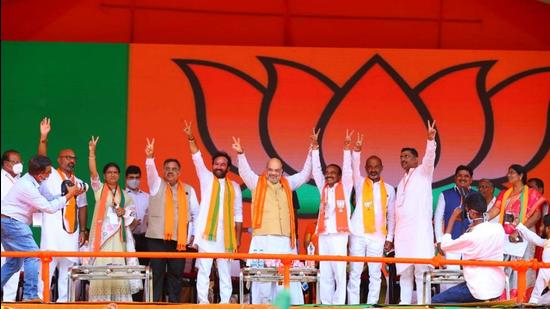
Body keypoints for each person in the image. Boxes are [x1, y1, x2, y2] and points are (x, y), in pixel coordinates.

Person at [232, 136, 311, 304]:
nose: (274, 173)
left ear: (282, 171)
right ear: (266, 170)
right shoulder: (256, 183)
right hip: (263, 241)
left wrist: (313, 150)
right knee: (263, 283)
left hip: (285, 242)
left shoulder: (288, 183)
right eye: (271, 170)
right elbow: (244, 172)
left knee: (286, 282)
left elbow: (305, 175)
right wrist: (241, 153)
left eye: (277, 170)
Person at [1, 155, 81, 301]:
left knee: (13, 263)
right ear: (40, 174)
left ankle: (29, 295)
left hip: (8, 222)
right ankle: (30, 296)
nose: (50, 175)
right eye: (48, 172)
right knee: (33, 256)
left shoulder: (35, 180)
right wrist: (69, 195)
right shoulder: (27, 186)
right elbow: (49, 208)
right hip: (13, 222)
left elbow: (49, 198)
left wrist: (67, 194)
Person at [183, 121, 243, 304]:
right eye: (216, 163)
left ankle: (225, 304)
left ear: (228, 167)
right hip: (206, 235)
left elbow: (238, 215)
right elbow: (196, 157)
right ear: (212, 166)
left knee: (225, 272)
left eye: (223, 164)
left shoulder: (234, 187)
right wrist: (191, 137)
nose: (219, 166)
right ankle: (203, 302)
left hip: (226, 237)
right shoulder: (206, 177)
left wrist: (238, 239)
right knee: (204, 270)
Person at [35, 117, 89, 302]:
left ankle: (63, 303)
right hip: (52, 232)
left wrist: (83, 230)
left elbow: (82, 206)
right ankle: (42, 302)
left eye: (73, 158)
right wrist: (43, 138)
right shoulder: (50, 177)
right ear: (59, 160)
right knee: (47, 268)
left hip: (71, 233)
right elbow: (41, 160)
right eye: (67, 157)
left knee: (67, 272)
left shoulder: (79, 182)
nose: (71, 160)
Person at [144, 138, 199, 303]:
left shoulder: (189, 190)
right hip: (156, 239)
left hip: (179, 241)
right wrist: (150, 158)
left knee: (176, 276)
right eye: (167, 168)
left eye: (174, 169)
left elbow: (196, 214)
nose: (170, 171)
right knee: (157, 275)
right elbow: (150, 172)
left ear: (179, 172)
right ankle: (153, 306)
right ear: (162, 170)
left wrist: (193, 236)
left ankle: (174, 305)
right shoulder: (156, 185)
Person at [87, 136, 142, 301]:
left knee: (118, 269)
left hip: (119, 239)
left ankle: (119, 302)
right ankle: (99, 302)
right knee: (101, 268)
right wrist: (92, 153)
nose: (112, 175)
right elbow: (93, 173)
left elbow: (132, 216)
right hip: (102, 238)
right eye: (109, 172)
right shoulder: (100, 189)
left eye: (115, 172)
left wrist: (124, 212)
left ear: (119, 175)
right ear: (104, 175)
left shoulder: (125, 195)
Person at [346, 131, 395, 305]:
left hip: (378, 236)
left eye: (376, 167)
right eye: (370, 167)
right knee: (355, 272)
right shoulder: (359, 183)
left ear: (381, 168)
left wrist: (389, 238)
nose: (373, 170)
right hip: (358, 234)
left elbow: (391, 216)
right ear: (366, 169)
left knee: (375, 274)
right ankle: (353, 306)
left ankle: (371, 305)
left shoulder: (389, 189)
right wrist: (357, 150)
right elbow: (354, 165)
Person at [432, 192, 505, 303]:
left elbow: (444, 245)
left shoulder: (470, 237)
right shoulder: (499, 229)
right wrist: (475, 225)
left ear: (472, 213)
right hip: (497, 287)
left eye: (466, 211)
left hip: (478, 289)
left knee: (435, 301)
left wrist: (452, 217)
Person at [394, 120, 437, 304]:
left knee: (421, 272)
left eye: (407, 156)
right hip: (403, 234)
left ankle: (422, 305)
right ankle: (404, 305)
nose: (403, 159)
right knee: (404, 272)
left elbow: (429, 158)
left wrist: (430, 140)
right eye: (401, 157)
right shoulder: (401, 182)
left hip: (419, 233)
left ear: (416, 159)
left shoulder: (423, 171)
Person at [486, 164, 546, 296]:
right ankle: (505, 297)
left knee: (522, 267)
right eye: (508, 172)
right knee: (505, 266)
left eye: (512, 173)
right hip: (507, 236)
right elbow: (496, 209)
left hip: (525, 235)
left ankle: (521, 298)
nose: (509, 175)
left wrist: (519, 230)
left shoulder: (531, 193)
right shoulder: (504, 193)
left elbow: (536, 215)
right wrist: (484, 217)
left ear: (521, 176)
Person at [310, 129, 351, 305]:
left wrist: (347, 149)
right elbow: (316, 170)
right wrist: (315, 148)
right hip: (324, 234)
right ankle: (326, 303)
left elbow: (348, 169)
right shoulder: (323, 188)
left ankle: (339, 304)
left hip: (339, 235)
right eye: (328, 172)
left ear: (340, 176)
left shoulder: (346, 186)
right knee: (325, 271)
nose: (329, 175)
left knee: (339, 273)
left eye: (333, 172)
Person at [433, 165, 473, 291]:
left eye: (466, 176)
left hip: (471, 242)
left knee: (471, 275)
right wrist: (440, 240)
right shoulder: (445, 194)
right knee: (451, 274)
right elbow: (438, 219)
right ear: (455, 178)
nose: (463, 178)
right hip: (451, 241)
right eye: (460, 175)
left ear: (471, 179)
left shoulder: (475, 195)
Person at [125, 165, 150, 302]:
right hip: (128, 239)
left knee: (142, 272)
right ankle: (128, 301)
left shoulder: (147, 197)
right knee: (129, 272)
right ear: (126, 179)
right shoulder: (122, 195)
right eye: (131, 178)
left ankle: (139, 302)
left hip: (143, 239)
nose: (134, 180)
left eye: (137, 178)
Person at [1, 149, 23, 302]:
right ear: (6, 164)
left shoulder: (20, 180)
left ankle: (9, 302)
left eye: (19, 162)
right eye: (15, 162)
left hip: (16, 228)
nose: (18, 165)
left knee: (14, 266)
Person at [516, 214, 550, 304]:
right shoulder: (547, 242)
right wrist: (519, 225)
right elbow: (534, 238)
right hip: (540, 290)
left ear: (549, 228)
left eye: (543, 226)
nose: (540, 228)